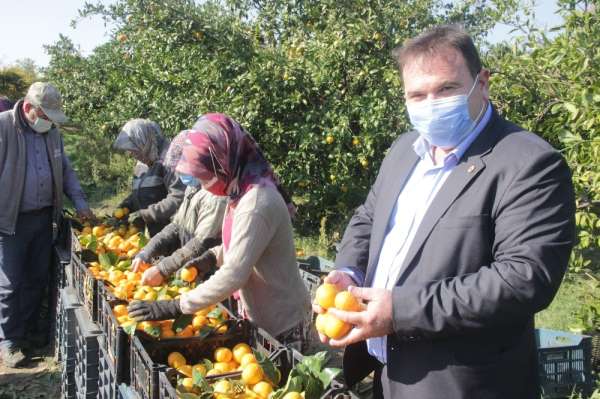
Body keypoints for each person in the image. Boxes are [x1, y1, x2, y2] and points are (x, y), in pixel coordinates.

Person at [313, 25, 576, 399]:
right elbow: (369, 217)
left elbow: (523, 279)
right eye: (417, 95)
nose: (431, 103)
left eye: (447, 89)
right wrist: (347, 271)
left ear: (481, 82)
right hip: (388, 375)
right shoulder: (405, 150)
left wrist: (400, 310)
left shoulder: (528, 163)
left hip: (462, 385)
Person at [128, 113, 310, 347]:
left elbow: (234, 273)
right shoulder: (238, 191)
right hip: (259, 317)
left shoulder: (256, 203)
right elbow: (242, 245)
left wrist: (176, 306)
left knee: (279, 383)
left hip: (282, 323)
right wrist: (211, 257)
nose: (202, 185)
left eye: (204, 177)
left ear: (223, 161)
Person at [0, 82, 95, 367]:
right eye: (46, 117)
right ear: (29, 109)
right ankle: (9, 341)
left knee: (36, 279)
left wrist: (80, 202)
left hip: (44, 218)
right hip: (11, 220)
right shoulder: (4, 128)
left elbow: (65, 169)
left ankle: (28, 331)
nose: (50, 123)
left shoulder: (52, 133)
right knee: (10, 283)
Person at [131, 130, 228, 285]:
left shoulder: (216, 196)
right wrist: (147, 251)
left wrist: (162, 269)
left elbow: (201, 244)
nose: (180, 172)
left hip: (208, 275)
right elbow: (176, 226)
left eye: (183, 167)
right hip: (191, 273)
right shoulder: (193, 188)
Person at [113, 119, 185, 237]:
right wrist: (126, 206)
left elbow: (178, 197)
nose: (131, 153)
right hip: (151, 234)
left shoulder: (169, 160)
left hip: (171, 234)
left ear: (143, 141)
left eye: (134, 147)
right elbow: (141, 192)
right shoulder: (143, 161)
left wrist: (146, 214)